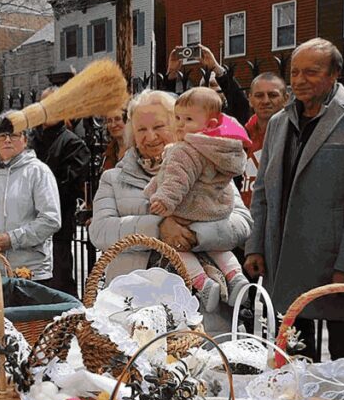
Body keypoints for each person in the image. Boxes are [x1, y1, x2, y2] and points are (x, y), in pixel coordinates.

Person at [244, 38, 344, 360]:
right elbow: (264, 192)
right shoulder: (280, 123)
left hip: (336, 267)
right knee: (292, 363)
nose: (299, 80)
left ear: (335, 73)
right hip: (283, 264)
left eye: (311, 72)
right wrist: (255, 245)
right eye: (295, 72)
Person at [90, 90, 252, 281]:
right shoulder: (113, 178)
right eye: (141, 130)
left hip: (201, 299)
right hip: (136, 296)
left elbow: (242, 223)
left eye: (159, 126)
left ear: (179, 124)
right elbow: (99, 231)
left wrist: (195, 234)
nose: (150, 137)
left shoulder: (209, 167)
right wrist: (158, 228)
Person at [145, 87, 252, 311]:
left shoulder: (185, 150)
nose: (181, 124)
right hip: (215, 211)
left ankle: (202, 283)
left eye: (188, 119)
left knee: (177, 248)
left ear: (210, 124)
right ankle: (235, 275)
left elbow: (176, 179)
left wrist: (163, 199)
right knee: (219, 248)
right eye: (177, 118)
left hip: (188, 210)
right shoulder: (221, 148)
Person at [0, 115, 61, 285]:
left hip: (29, 273)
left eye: (14, 134)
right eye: (2, 135)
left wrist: (11, 239)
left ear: (25, 140)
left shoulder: (38, 172)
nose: (7, 140)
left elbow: (50, 219)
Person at [32, 88, 91, 296]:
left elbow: (65, 188)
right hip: (25, 227)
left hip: (57, 229)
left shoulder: (74, 145)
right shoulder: (30, 140)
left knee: (58, 283)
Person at [241, 72, 289, 207]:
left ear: (286, 98)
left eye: (273, 95)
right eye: (259, 95)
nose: (266, 101)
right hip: (245, 219)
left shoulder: (294, 136)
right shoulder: (243, 136)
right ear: (250, 99)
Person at [101, 106, 129, 172]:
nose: (113, 125)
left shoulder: (138, 150)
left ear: (128, 120)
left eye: (117, 119)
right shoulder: (108, 153)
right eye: (109, 121)